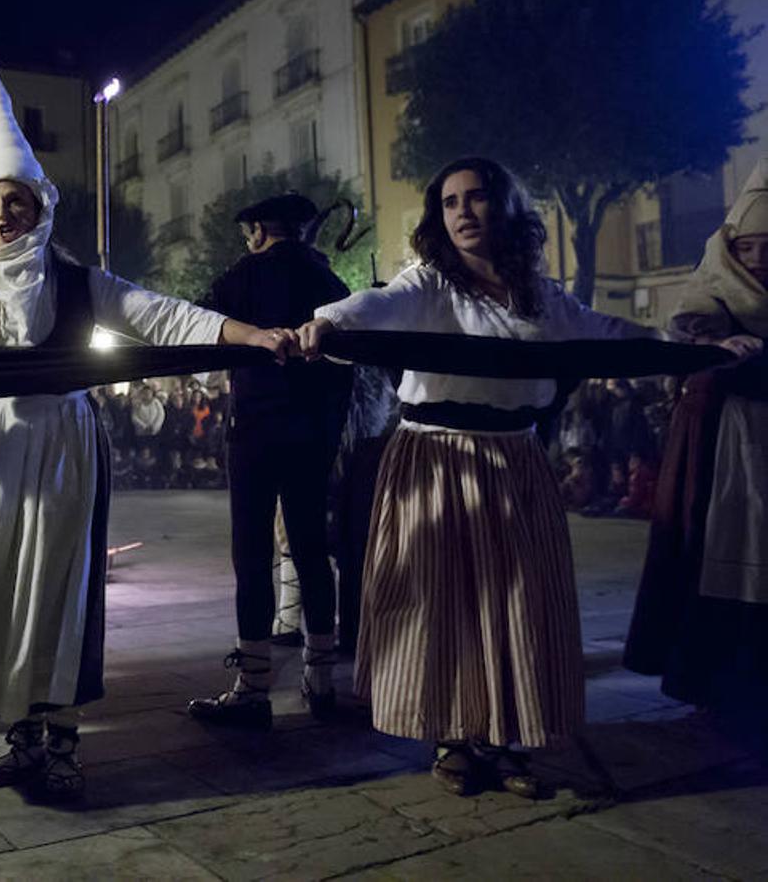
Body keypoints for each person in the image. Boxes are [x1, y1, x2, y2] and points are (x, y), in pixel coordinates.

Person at [0, 71, 289, 798]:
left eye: (17, 202)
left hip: (59, 448)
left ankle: (60, 741)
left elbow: (165, 317)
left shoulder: (79, 283)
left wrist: (250, 335)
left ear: (40, 209)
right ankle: (23, 739)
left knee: (52, 594)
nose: (5, 214)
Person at [290, 156, 754, 797]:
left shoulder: (540, 294)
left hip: (515, 461)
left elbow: (607, 334)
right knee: (443, 603)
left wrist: (697, 351)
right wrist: (328, 322)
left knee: (517, 603)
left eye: (476, 198)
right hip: (437, 459)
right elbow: (376, 304)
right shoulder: (430, 283)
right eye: (450, 202)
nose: (463, 212)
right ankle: (453, 736)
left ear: (504, 207)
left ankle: (502, 735)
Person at [187, 193, 354, 729]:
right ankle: (321, 676)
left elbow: (198, 317)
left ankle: (254, 686)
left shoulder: (245, 274)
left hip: (255, 429)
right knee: (310, 546)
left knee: (252, 551)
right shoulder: (330, 284)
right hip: (314, 435)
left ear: (258, 230)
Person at [624, 157, 768, 714]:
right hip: (721, 455)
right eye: (748, 248)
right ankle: (711, 676)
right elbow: (690, 353)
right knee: (717, 552)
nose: (757, 260)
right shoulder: (702, 308)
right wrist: (715, 352)